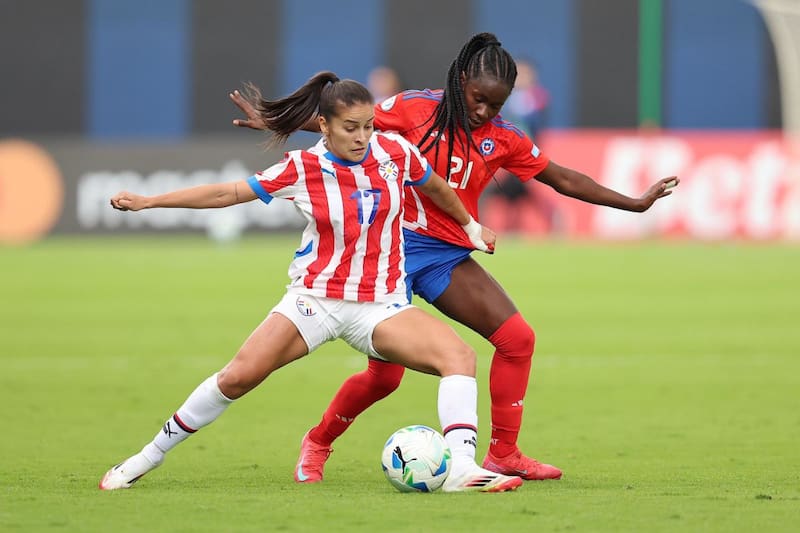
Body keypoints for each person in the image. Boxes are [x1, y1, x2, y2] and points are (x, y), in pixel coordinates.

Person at [230, 33, 679, 483]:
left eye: (496, 105)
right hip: (390, 254)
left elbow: (562, 178)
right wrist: (276, 122)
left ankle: (504, 453)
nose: (484, 111)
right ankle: (318, 442)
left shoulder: (504, 137)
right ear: (461, 80)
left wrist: (634, 203)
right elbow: (349, 125)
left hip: (444, 255)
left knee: (517, 339)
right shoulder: (414, 108)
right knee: (385, 379)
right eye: (478, 98)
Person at [99, 71, 523, 494]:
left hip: (380, 304)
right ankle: (147, 456)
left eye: (369, 126)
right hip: (314, 301)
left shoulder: (396, 152)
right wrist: (150, 201)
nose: (362, 137)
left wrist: (470, 226)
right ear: (324, 125)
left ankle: (461, 469)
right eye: (351, 128)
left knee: (459, 356)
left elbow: (435, 186)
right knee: (236, 378)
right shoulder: (303, 167)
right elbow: (228, 194)